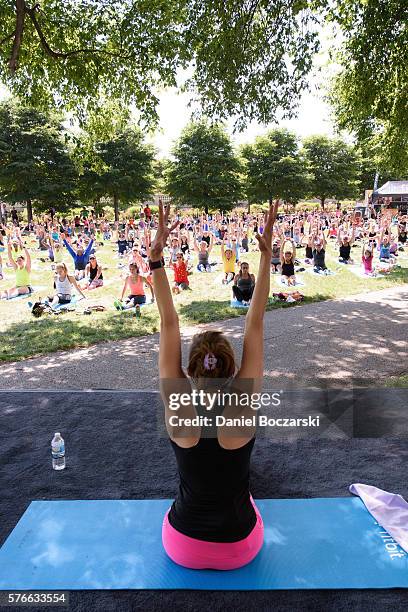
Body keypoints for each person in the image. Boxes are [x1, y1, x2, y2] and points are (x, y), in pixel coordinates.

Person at [152, 200, 278, 571]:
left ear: (190, 369)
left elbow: (168, 324)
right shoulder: (245, 397)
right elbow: (255, 324)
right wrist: (265, 258)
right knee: (247, 498)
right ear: (233, 366)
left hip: (182, 546)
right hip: (239, 547)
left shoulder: (176, 398)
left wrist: (156, 260)